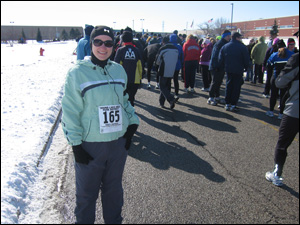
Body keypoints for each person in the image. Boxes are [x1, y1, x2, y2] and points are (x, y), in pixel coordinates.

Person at [61, 25, 139, 224]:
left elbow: (124, 100)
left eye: (108, 43)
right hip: (90, 146)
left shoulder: (119, 70)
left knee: (114, 193)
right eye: (98, 42)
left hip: (117, 145)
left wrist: (131, 125)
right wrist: (76, 145)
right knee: (86, 197)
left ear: (114, 46)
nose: (102, 47)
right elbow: (70, 111)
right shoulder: (77, 73)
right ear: (91, 43)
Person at [265, 30, 299, 187]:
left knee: (283, 143)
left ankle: (277, 174)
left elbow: (280, 82)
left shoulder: (296, 59)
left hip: (295, 109)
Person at [218, 32, 249, 112]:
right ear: (237, 38)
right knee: (236, 87)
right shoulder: (242, 47)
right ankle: (233, 104)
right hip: (238, 69)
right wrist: (246, 67)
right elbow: (246, 59)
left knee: (229, 85)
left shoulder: (225, 46)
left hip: (228, 69)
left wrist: (223, 66)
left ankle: (227, 103)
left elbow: (220, 58)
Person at [266, 39, 295, 119]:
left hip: (275, 77)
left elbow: (269, 64)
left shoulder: (274, 55)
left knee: (273, 95)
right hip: (286, 79)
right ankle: (281, 113)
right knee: (283, 96)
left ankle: (271, 111)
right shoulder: (292, 55)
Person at [114, 31, 143, 107]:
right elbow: (140, 65)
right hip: (135, 79)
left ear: (122, 39)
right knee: (131, 98)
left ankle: (125, 115)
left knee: (123, 99)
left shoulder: (120, 50)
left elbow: (116, 66)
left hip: (123, 80)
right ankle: (131, 114)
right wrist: (140, 77)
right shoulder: (136, 50)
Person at [207, 30, 231, 106]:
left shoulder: (226, 43)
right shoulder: (219, 44)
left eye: (229, 36)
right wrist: (216, 66)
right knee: (214, 82)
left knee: (219, 82)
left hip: (221, 66)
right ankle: (210, 97)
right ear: (224, 36)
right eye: (228, 36)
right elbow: (214, 56)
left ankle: (217, 96)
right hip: (215, 66)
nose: (229, 37)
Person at [155, 36, 179, 109]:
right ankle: (163, 102)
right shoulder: (176, 49)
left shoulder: (163, 49)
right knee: (167, 87)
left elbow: (157, 61)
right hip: (172, 70)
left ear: (163, 42)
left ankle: (171, 98)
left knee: (162, 86)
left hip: (163, 69)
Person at [170, 34, 184, 99]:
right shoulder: (179, 46)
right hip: (177, 64)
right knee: (176, 79)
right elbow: (182, 56)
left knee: (168, 79)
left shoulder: (169, 46)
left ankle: (168, 93)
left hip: (169, 64)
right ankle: (176, 93)